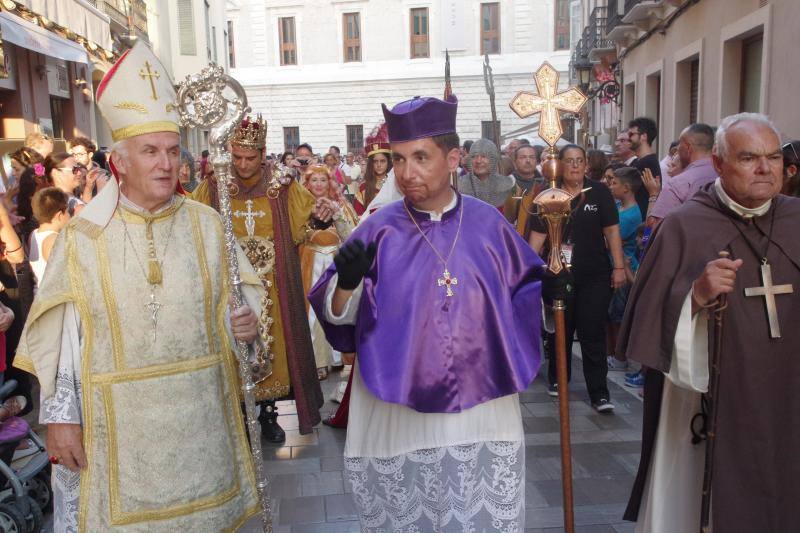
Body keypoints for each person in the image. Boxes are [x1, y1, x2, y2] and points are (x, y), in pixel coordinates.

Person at [12, 41, 261, 532]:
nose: (166, 164)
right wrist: (61, 419)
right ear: (120, 163)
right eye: (150, 152)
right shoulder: (82, 239)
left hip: (200, 424)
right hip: (116, 432)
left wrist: (244, 327)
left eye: (172, 151)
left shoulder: (211, 226)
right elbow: (63, 342)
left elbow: (243, 321)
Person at [308, 93, 545, 531]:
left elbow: (523, 294)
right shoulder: (376, 227)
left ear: (453, 157)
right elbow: (339, 317)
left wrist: (548, 288)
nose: (406, 172)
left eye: (420, 157)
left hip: (482, 409)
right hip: (397, 412)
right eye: (398, 159)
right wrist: (345, 284)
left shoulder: (490, 223)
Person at [619, 113, 800, 532]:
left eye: (774, 158)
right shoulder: (685, 225)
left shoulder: (796, 218)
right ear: (718, 164)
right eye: (750, 158)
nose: (765, 169)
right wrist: (695, 296)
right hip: (709, 404)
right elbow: (647, 321)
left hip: (788, 395)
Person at [193, 114, 324, 442]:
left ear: (263, 153)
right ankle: (240, 414)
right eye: (237, 157)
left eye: (250, 158)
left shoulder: (281, 183)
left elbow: (302, 226)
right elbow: (196, 225)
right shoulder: (215, 184)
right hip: (232, 284)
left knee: (273, 347)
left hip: (273, 285)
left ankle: (269, 415)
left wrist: (320, 219)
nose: (243, 164)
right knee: (235, 344)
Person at [528, 144, 626, 412]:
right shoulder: (548, 194)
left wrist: (618, 267)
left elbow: (612, 231)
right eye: (569, 161)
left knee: (592, 331)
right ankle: (558, 379)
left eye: (579, 160)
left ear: (586, 164)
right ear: (559, 164)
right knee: (561, 328)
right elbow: (537, 238)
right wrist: (527, 271)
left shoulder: (600, 192)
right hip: (559, 273)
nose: (574, 166)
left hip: (594, 273)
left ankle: (600, 393)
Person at [299, 165, 357, 380]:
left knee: (336, 308)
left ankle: (341, 358)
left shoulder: (341, 205)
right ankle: (318, 361)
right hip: (310, 262)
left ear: (329, 182)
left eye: (323, 180)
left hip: (335, 262)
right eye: (314, 180)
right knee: (313, 313)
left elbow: (351, 234)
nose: (319, 185)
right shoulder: (301, 207)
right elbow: (295, 235)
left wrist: (337, 215)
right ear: (307, 183)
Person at [606, 167, 644, 371]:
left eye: (614, 183)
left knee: (618, 314)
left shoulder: (631, 215)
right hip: (613, 264)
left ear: (627, 188)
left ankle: (619, 356)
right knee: (611, 313)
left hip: (623, 267)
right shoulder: (619, 206)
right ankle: (611, 352)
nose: (611, 186)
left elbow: (612, 238)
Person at [650, 123, 717, 224]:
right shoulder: (725, 176)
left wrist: (652, 197)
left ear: (688, 148)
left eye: (680, 144)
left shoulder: (678, 184)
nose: (677, 149)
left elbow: (657, 226)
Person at [28, 187, 70, 288]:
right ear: (60, 215)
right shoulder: (53, 240)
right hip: (54, 297)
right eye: (67, 211)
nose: (69, 215)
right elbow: (64, 274)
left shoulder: (34, 234)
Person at [458, 138, 515, 210]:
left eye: (484, 156)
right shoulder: (459, 185)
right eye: (474, 156)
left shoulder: (508, 185)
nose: (478, 161)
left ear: (493, 159)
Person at [504, 144, 546, 236]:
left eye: (532, 157)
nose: (528, 161)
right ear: (515, 162)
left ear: (536, 161)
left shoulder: (544, 186)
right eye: (523, 157)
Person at [354, 133, 392, 216]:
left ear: (388, 162)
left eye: (382, 161)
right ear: (371, 163)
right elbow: (358, 215)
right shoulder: (363, 188)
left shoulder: (397, 186)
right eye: (375, 161)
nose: (379, 165)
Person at [629, 117, 661, 217]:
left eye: (632, 134)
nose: (628, 138)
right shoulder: (639, 162)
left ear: (643, 136)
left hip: (641, 223)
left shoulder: (647, 163)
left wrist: (646, 231)